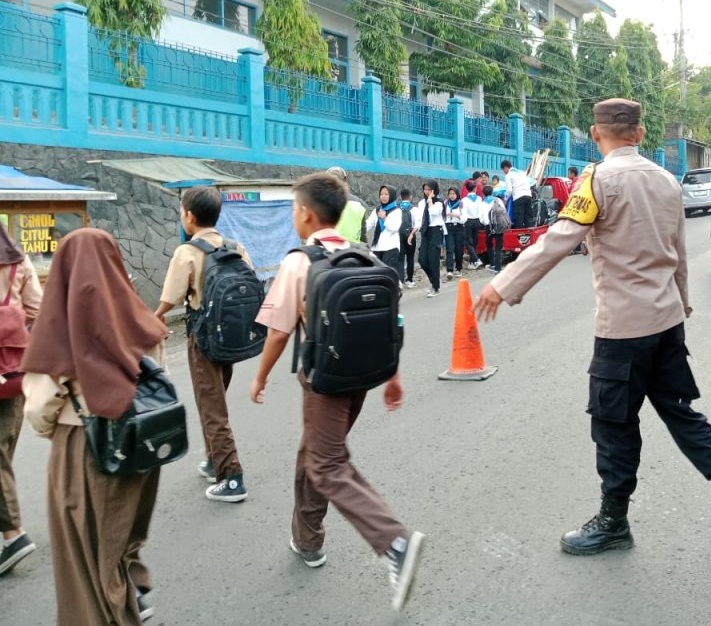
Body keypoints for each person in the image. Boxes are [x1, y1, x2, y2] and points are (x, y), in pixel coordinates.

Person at [475, 98, 711, 556]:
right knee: (681, 413)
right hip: (667, 321)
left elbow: (558, 240)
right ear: (640, 132)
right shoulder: (667, 182)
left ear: (596, 135)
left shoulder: (597, 180)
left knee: (613, 425)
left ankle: (614, 522)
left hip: (623, 330)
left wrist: (502, 283)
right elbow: (677, 253)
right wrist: (682, 306)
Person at [249, 172, 424, 612]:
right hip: (363, 376)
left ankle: (394, 542)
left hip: (324, 381)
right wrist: (393, 376)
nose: (294, 217)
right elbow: (389, 323)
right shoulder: (363, 255)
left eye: (293, 209)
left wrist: (260, 377)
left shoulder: (299, 262)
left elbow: (277, 332)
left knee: (326, 464)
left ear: (306, 214)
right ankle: (308, 540)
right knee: (315, 453)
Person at [22, 229, 167, 625]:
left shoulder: (58, 327)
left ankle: (108, 614)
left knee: (84, 556)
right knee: (121, 537)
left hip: (83, 446)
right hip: (141, 442)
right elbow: (161, 378)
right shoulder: (138, 316)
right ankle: (131, 589)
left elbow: (38, 410)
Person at [154, 186, 252, 503]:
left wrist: (154, 318)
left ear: (190, 216)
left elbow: (170, 298)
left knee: (213, 408)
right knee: (214, 399)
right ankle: (214, 460)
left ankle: (232, 477)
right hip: (232, 336)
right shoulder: (234, 246)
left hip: (204, 339)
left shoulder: (188, 252)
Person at [0, 226, 42, 576]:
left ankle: (13, 533)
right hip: (14, 370)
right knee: (4, 448)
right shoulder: (17, 259)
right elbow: (36, 309)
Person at [411, 180, 446, 297]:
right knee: (422, 259)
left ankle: (435, 288)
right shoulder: (422, 202)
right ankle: (434, 281)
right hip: (425, 231)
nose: (426, 192)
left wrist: (430, 199)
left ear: (434, 190)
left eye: (429, 189)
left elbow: (433, 212)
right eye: (425, 189)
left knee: (433, 259)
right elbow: (420, 218)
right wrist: (413, 232)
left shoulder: (439, 202)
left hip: (436, 231)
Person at [366, 185, 403, 282]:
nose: (383, 196)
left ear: (391, 195)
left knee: (387, 276)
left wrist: (384, 218)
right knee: (376, 275)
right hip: (377, 247)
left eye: (386, 194)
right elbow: (368, 224)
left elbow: (394, 228)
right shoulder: (377, 210)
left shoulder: (396, 211)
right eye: (381, 194)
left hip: (390, 248)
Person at [328, 166, 369, 243]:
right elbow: (363, 237)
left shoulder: (322, 202)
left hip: (331, 249)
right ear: (345, 181)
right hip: (352, 250)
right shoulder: (359, 203)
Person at [501, 159, 533, 229]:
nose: (504, 172)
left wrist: (505, 200)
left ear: (505, 167)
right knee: (528, 217)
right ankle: (530, 234)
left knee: (519, 218)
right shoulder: (521, 172)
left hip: (519, 197)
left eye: (503, 170)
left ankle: (520, 237)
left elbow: (509, 190)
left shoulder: (508, 175)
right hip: (528, 195)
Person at [481, 185, 505, 273]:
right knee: (499, 246)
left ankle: (492, 264)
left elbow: (481, 219)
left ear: (483, 193)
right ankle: (498, 268)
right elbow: (504, 211)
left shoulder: (483, 203)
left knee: (489, 245)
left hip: (488, 226)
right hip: (498, 225)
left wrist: (486, 223)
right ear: (492, 192)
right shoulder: (498, 200)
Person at [444, 187, 465, 281]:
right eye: (450, 194)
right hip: (448, 228)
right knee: (449, 248)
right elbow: (442, 215)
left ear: (457, 194)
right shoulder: (445, 203)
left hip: (459, 228)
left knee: (459, 249)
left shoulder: (461, 204)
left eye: (453, 194)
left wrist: (455, 215)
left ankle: (459, 268)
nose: (452, 196)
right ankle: (449, 270)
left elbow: (464, 218)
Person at [462, 184, 484, 271]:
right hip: (477, 221)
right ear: (475, 188)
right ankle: (472, 263)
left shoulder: (464, 200)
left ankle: (476, 259)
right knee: (474, 242)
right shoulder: (479, 199)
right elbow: (481, 211)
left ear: (467, 189)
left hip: (468, 221)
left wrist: (463, 222)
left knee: (468, 242)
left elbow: (464, 213)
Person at [398, 189, 417, 288]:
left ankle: (400, 280)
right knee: (410, 259)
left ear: (400, 197)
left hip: (399, 236)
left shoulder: (396, 208)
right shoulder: (414, 209)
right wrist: (411, 234)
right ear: (410, 197)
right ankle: (409, 280)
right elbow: (417, 224)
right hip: (411, 236)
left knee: (400, 259)